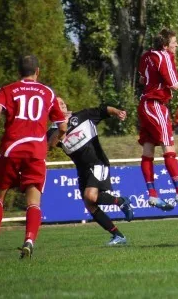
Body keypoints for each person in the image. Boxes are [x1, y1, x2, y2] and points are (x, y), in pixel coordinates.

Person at [0, 55, 68, 261]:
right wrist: (52, 142)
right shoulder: (48, 92)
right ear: (38, 72)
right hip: (35, 151)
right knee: (33, 201)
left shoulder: (7, 90)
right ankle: (29, 241)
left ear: (19, 72)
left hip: (11, 149)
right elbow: (62, 126)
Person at [50, 98, 134, 246]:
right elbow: (51, 144)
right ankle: (118, 235)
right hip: (82, 169)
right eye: (57, 104)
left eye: (62, 103)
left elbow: (103, 109)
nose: (61, 105)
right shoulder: (52, 130)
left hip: (97, 162)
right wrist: (61, 126)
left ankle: (121, 201)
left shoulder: (83, 115)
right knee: (90, 204)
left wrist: (117, 112)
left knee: (90, 196)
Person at [137, 29, 178, 211]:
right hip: (156, 105)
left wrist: (155, 82)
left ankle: (152, 195)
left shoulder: (147, 55)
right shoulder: (164, 56)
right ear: (165, 46)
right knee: (169, 148)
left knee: (148, 150)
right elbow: (175, 85)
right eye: (174, 42)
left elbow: (142, 80)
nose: (177, 45)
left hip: (144, 105)